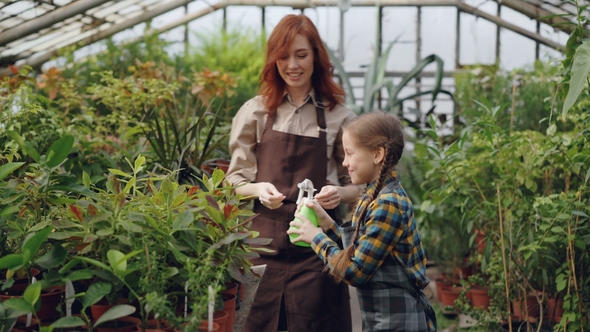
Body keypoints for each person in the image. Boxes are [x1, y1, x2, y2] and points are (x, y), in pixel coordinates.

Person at [225, 14, 361, 332]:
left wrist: (338, 193)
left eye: (301, 55)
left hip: (318, 251)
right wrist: (258, 190)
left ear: (316, 56)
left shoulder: (340, 117)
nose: (292, 65)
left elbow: (362, 187)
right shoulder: (255, 112)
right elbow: (232, 182)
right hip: (261, 249)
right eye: (283, 56)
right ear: (274, 60)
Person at [288, 111, 437, 332]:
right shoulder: (374, 195)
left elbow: (355, 271)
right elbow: (360, 251)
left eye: (349, 153)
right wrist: (326, 222)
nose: (345, 162)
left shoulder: (388, 204)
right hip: (383, 320)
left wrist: (315, 238)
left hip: (399, 322)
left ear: (377, 154)